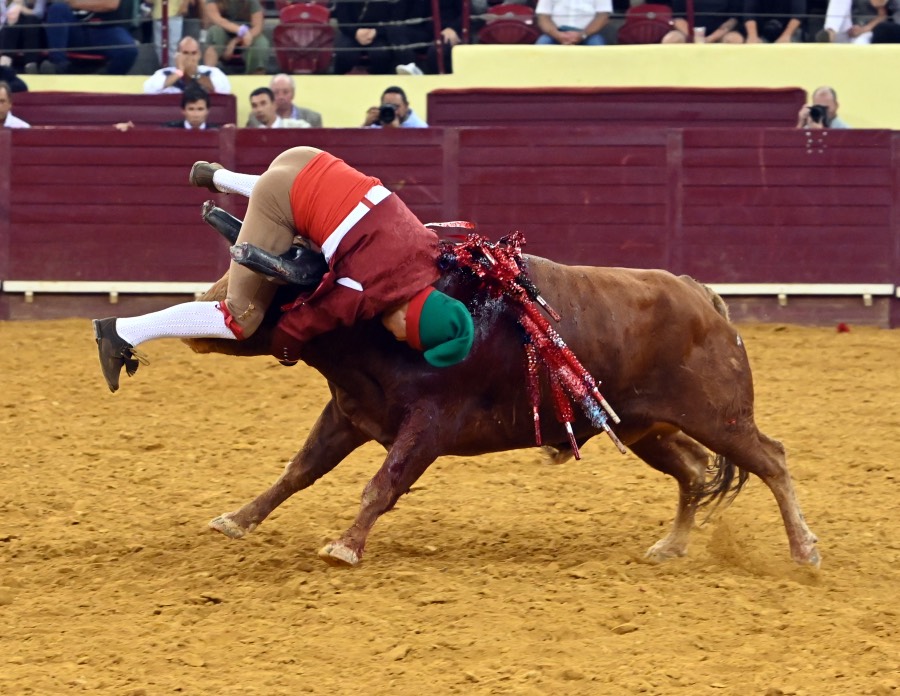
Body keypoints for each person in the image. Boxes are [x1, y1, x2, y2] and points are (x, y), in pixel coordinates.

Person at [91, 147, 476, 392]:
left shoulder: (427, 251)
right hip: (282, 197)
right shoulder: (365, 292)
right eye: (408, 337)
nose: (399, 339)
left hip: (308, 160)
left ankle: (216, 177)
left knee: (314, 248)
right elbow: (305, 322)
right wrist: (287, 351)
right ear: (411, 320)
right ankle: (122, 332)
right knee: (241, 318)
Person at [40, 0, 139, 74]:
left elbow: (110, 4)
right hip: (74, 29)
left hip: (104, 29)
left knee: (128, 51)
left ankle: (107, 84)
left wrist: (73, 2)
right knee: (57, 8)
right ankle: (59, 66)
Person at [332, 0, 402, 75]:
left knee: (381, 55)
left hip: (379, 33)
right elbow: (342, 18)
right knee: (344, 53)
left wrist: (377, 32)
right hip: (350, 31)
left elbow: (394, 19)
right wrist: (355, 32)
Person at [143, 36, 231, 95]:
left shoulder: (211, 71)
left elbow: (223, 90)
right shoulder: (164, 73)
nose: (189, 57)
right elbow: (148, 90)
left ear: (199, 55)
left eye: (193, 53)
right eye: (185, 53)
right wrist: (179, 72)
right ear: (176, 55)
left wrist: (195, 74)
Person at [114, 85, 227, 130]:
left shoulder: (219, 131)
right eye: (191, 109)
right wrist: (132, 130)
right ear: (183, 111)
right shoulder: (168, 129)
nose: (196, 114)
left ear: (208, 110)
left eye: (200, 109)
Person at [203, 0, 270, 74]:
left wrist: (236, 40)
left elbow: (258, 26)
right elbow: (218, 20)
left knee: (261, 43)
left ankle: (256, 80)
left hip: (247, 36)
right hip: (224, 32)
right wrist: (240, 30)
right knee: (214, 31)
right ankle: (209, 75)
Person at [245, 73, 322, 127]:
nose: (281, 96)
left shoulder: (313, 118)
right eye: (276, 92)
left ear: (293, 94)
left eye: (285, 92)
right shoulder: (255, 118)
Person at [661, 0, 744, 43]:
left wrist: (710, 39)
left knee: (735, 39)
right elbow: (678, 18)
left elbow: (732, 20)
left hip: (721, 33)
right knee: (671, 39)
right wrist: (693, 36)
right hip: (689, 32)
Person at [534, 0, 612, 45]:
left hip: (588, 34)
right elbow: (543, 17)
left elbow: (602, 17)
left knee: (597, 45)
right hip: (555, 33)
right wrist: (557, 35)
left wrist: (582, 35)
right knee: (543, 43)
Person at [0, 0, 45, 72]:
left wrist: (21, 8)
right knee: (13, 20)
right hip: (8, 32)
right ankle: (5, 60)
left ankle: (30, 65)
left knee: (30, 20)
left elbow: (39, 13)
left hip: (33, 32)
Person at [816, 0, 892, 43]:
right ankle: (830, 31)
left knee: (860, 43)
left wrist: (863, 30)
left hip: (867, 31)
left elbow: (883, 16)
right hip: (846, 30)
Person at [362, 85, 427, 128]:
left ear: (406, 106)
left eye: (396, 107)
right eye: (387, 106)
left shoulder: (419, 127)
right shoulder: (379, 122)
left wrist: (396, 131)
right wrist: (366, 125)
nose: (392, 111)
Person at [741, 0, 807, 42]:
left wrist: (786, 36)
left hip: (790, 32)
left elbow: (798, 16)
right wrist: (752, 36)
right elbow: (749, 14)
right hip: (763, 33)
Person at [247, 86, 312, 128]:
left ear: (274, 105)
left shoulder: (298, 127)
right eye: (254, 105)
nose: (259, 110)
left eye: (263, 103)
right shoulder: (253, 134)